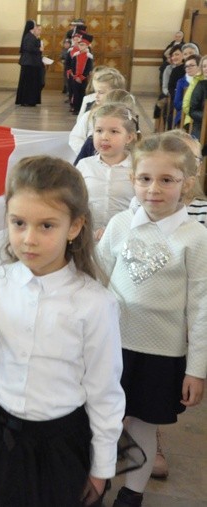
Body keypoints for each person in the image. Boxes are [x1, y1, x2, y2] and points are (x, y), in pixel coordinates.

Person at [0, 155, 132, 507]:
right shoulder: (0, 281)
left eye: (46, 226)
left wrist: (102, 467)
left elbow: (104, 391)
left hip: (57, 442)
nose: (29, 239)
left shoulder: (94, 303)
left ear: (74, 227)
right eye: (18, 223)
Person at [98, 133, 207, 507]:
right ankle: (95, 484)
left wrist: (197, 369)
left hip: (160, 353)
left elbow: (201, 307)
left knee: (143, 426)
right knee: (104, 422)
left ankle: (132, 493)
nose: (154, 189)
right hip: (110, 345)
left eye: (167, 180)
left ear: (186, 184)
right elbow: (95, 282)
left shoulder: (195, 239)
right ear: (133, 180)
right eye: (145, 179)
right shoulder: (118, 226)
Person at [75, 104, 137, 238]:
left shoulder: (137, 168)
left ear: (129, 137)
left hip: (125, 236)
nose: (104, 137)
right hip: (88, 236)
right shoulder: (84, 165)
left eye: (114, 131)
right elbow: (74, 200)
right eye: (99, 130)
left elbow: (140, 206)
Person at [69, 67, 126, 154]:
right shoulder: (89, 115)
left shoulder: (126, 116)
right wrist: (87, 152)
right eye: (96, 92)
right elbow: (75, 137)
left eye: (101, 92)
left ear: (115, 92)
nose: (96, 96)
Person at [15, 20, 43, 107]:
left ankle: (30, 100)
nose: (36, 27)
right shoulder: (29, 36)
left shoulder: (32, 36)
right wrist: (39, 49)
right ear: (31, 27)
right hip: (29, 63)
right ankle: (26, 100)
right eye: (35, 26)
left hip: (31, 63)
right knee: (28, 83)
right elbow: (29, 48)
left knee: (30, 82)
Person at [68, 33, 94, 115]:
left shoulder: (89, 57)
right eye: (80, 45)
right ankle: (76, 108)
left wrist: (82, 77)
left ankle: (81, 109)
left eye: (83, 45)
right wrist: (76, 77)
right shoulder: (76, 56)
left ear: (86, 46)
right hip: (76, 78)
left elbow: (88, 69)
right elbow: (73, 67)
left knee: (83, 94)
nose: (81, 46)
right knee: (75, 94)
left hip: (83, 79)